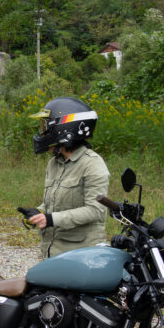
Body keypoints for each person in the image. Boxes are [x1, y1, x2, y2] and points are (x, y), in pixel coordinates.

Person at [25, 97, 109, 258]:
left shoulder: (92, 165)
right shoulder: (54, 163)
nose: (42, 133)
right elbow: (55, 201)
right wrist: (39, 211)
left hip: (80, 254)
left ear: (64, 129)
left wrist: (50, 219)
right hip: (53, 251)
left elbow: (95, 211)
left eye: (46, 127)